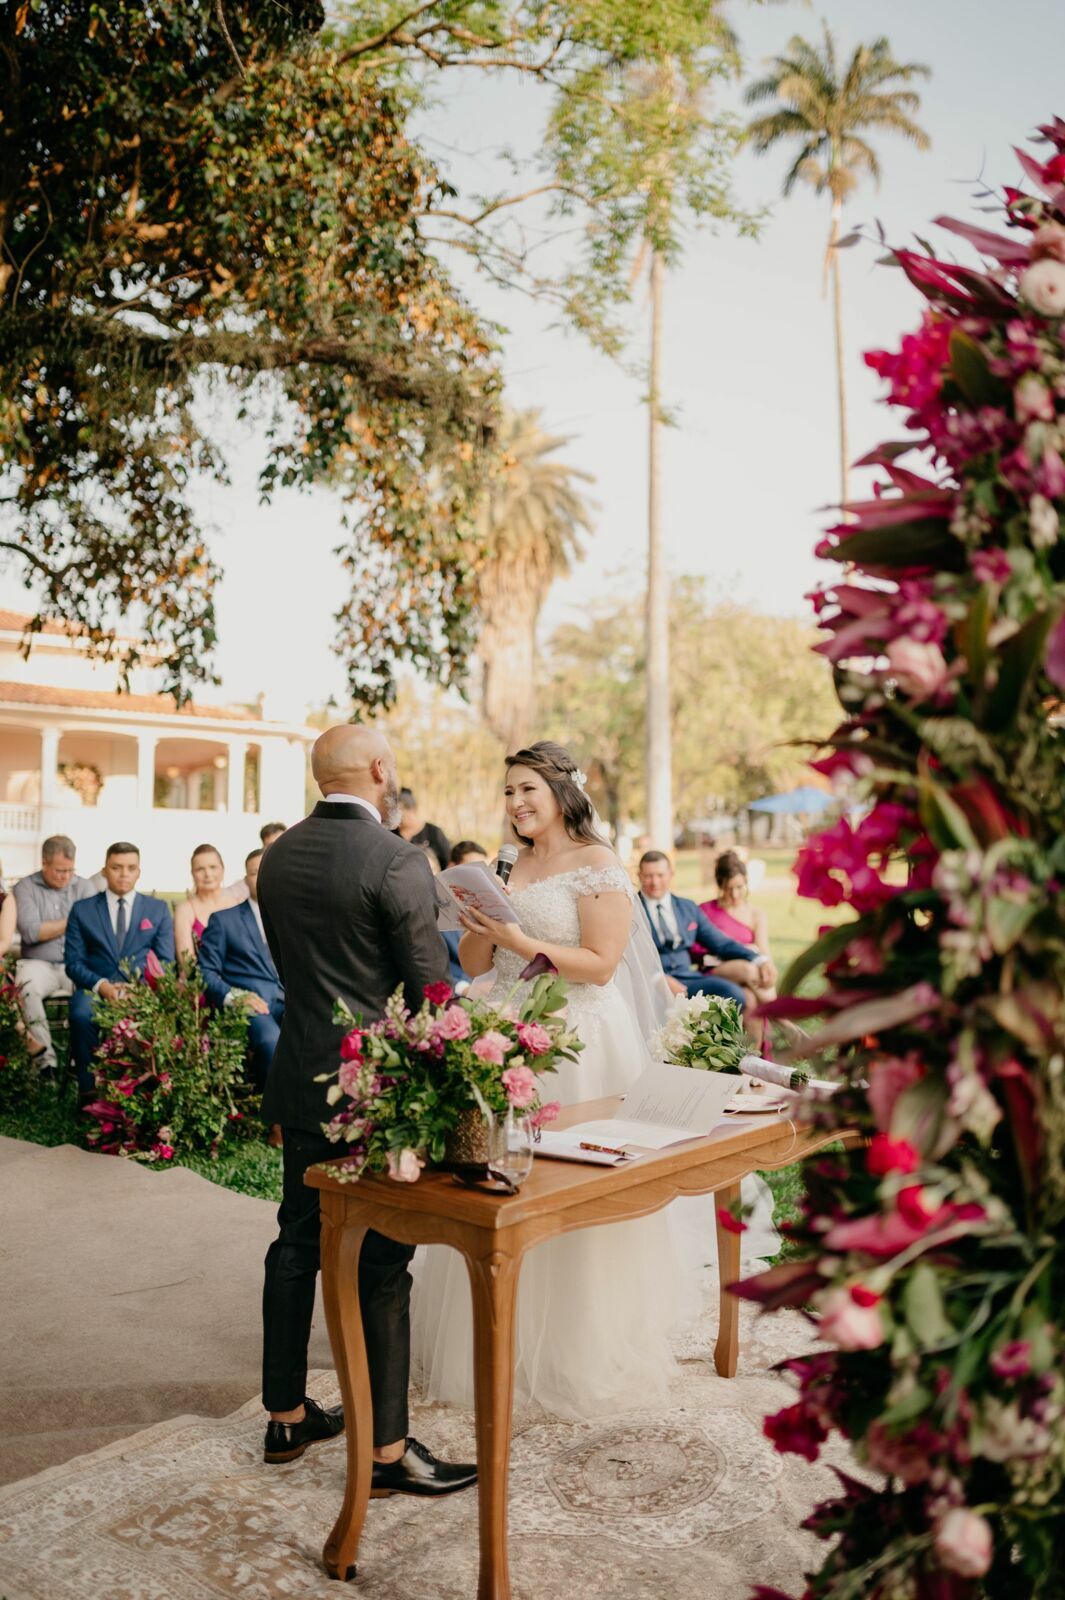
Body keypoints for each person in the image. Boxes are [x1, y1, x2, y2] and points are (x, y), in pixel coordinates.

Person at [410, 740, 778, 1419]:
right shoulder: (506, 862)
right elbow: (470, 959)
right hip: (508, 1032)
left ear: (560, 793)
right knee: (501, 1186)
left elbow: (602, 963)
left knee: (573, 1188)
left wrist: (520, 942)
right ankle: (500, 1335)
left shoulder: (598, 864)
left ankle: (578, 1346)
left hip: (579, 1039)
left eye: (527, 790)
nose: (516, 804)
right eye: (508, 792)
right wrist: (480, 923)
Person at [255, 724, 476, 1495]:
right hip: (376, 1090)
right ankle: (388, 1454)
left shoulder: (277, 856)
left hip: (300, 1072)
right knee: (383, 1262)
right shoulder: (395, 859)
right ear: (381, 769)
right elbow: (429, 989)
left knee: (296, 1239)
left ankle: (284, 1414)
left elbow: (295, 968)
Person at [64, 842, 175, 1093]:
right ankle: (89, 1092)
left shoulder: (157, 909)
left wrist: (140, 990)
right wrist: (101, 986)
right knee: (81, 1015)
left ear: (139, 872)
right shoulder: (83, 910)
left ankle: (141, 1094)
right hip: (96, 988)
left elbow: (166, 961)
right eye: (116, 867)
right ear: (105, 870)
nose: (124, 874)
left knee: (156, 1018)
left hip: (141, 992)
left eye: (130, 868)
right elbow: (73, 963)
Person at [637, 850, 776, 1011]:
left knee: (735, 994)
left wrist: (759, 959)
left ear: (671, 874)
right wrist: (659, 979)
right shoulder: (631, 910)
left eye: (660, 875)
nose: (655, 882)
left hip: (688, 977)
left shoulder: (687, 907)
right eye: (648, 876)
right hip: (650, 981)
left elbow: (721, 943)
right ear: (639, 876)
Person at [197, 849, 283, 1090]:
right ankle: (271, 1118)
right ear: (246, 879)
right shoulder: (224, 920)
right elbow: (205, 972)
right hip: (250, 1004)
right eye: (256, 872)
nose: (264, 877)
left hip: (290, 1001)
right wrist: (236, 997)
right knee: (272, 1042)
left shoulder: (292, 918)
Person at [12, 835, 96, 1075]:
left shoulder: (85, 887)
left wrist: (54, 926)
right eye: (59, 870)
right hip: (39, 963)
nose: (65, 876)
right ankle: (45, 1062)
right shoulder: (25, 887)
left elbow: (93, 931)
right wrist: (75, 920)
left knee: (93, 988)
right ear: (44, 863)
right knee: (26, 986)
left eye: (70, 870)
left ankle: (78, 1058)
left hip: (77, 962)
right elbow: (31, 932)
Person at [173, 843, 239, 963]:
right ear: (192, 873)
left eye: (213, 867)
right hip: (201, 978)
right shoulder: (185, 910)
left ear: (222, 870)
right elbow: (186, 962)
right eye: (200, 869)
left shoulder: (238, 903)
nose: (208, 874)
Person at [396, 788, 451, 871]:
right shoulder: (392, 833)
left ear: (412, 810)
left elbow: (447, 860)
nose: (397, 820)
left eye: (401, 816)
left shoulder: (434, 832)